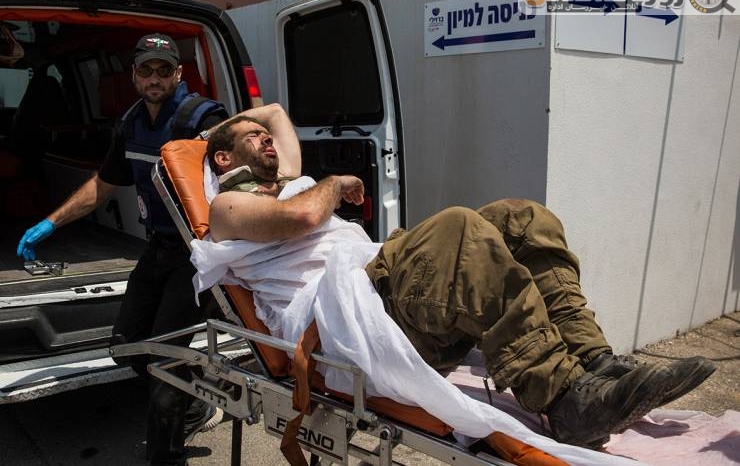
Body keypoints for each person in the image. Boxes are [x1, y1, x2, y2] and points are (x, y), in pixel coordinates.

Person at [198, 105, 715, 450]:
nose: (268, 139)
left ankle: (594, 361)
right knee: (457, 227)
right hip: (340, 327)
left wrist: (222, 127)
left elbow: (275, 112)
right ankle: (564, 399)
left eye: (267, 138)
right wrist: (336, 180)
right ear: (224, 159)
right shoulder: (228, 207)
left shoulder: (288, 179)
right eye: (253, 139)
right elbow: (306, 216)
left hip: (374, 289)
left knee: (520, 217)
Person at [16, 33, 229, 465]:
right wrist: (50, 223)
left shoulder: (202, 118)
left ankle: (166, 454)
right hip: (157, 249)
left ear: (178, 74)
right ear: (133, 75)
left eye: (163, 70)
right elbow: (104, 183)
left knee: (164, 360)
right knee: (126, 344)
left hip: (196, 256)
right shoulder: (131, 122)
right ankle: (196, 403)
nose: (154, 78)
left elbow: (236, 174)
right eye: (146, 69)